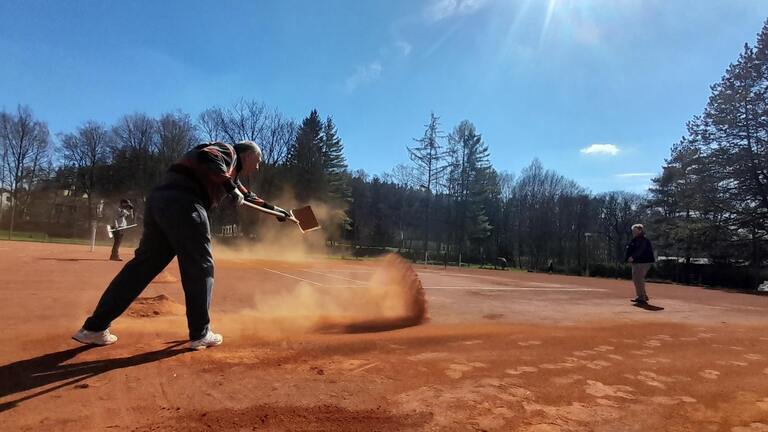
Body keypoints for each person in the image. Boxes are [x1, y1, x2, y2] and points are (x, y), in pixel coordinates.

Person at [73, 141, 290, 350]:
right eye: (258, 160)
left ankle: (94, 327)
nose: (258, 166)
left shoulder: (231, 173)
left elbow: (247, 196)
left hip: (160, 204)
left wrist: (278, 211)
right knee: (200, 267)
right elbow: (208, 155)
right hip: (185, 205)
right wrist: (229, 187)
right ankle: (200, 333)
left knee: (142, 268)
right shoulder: (228, 152)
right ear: (248, 155)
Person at [625, 223, 655, 305]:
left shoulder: (643, 240)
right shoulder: (635, 239)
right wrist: (628, 258)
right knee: (636, 278)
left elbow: (641, 250)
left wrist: (633, 257)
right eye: (632, 230)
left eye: (635, 230)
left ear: (640, 230)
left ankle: (642, 298)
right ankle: (642, 296)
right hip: (637, 262)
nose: (633, 232)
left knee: (638, 278)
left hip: (643, 262)